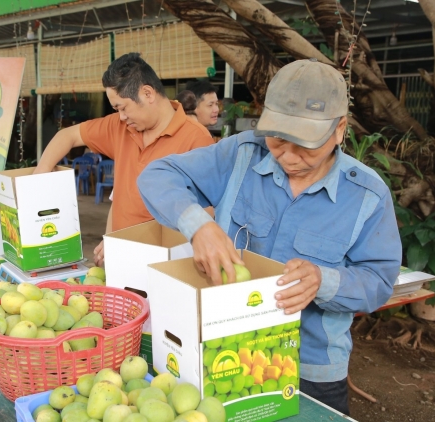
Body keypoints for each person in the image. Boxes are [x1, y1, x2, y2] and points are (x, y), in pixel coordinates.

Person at [137, 59, 401, 415]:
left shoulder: (367, 195)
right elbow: (157, 176)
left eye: (305, 145)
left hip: (310, 368)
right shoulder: (242, 154)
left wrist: (323, 281)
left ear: (339, 130)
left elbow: (379, 280)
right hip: (224, 351)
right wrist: (199, 225)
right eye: (278, 139)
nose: (288, 156)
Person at [34, 53, 214, 266]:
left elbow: (206, 214)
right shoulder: (120, 127)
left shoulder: (196, 139)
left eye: (122, 107)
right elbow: (68, 135)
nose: (121, 116)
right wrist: (40, 175)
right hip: (119, 257)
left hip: (164, 262)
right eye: (116, 109)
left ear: (147, 93)